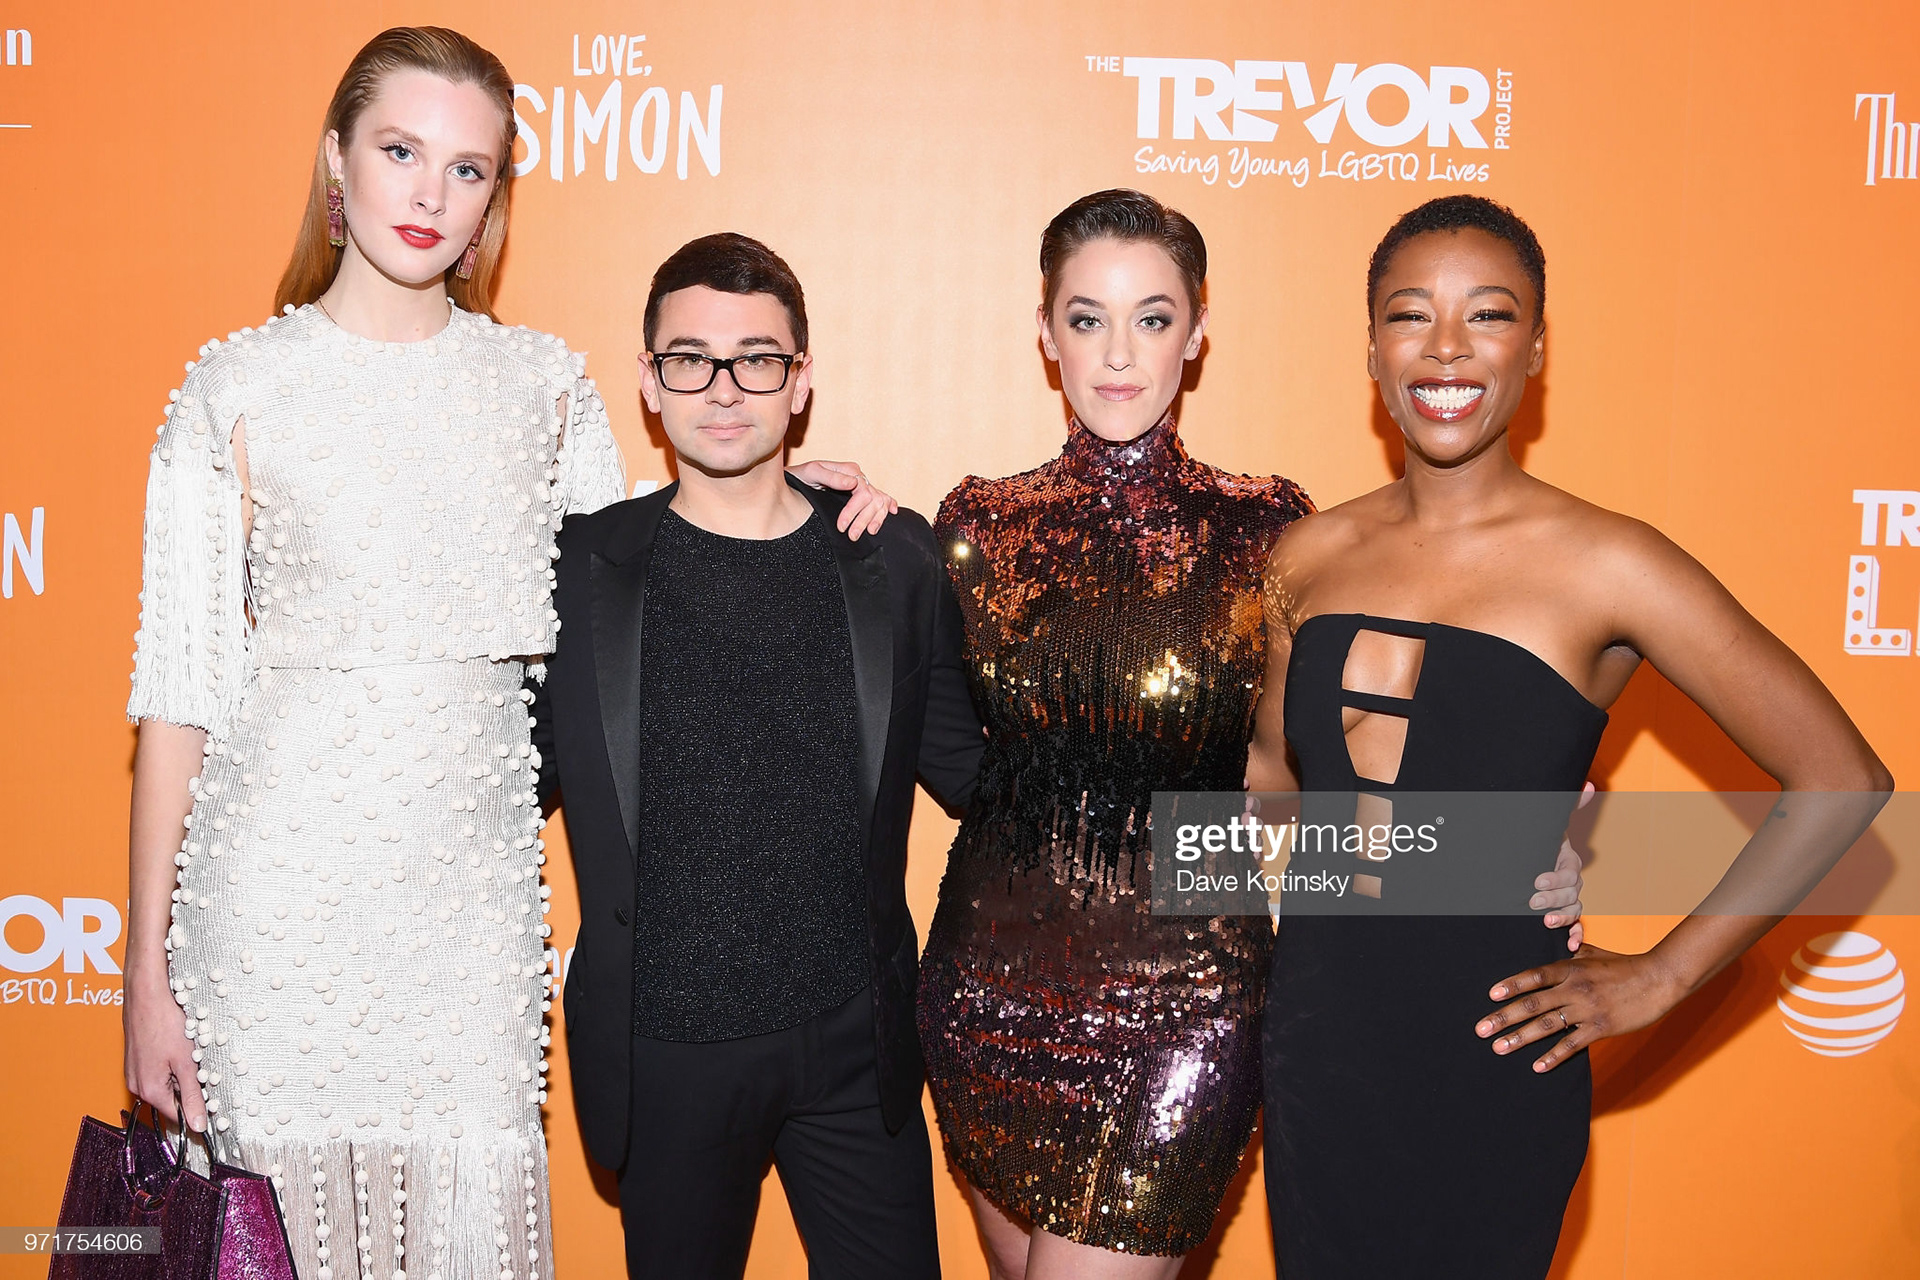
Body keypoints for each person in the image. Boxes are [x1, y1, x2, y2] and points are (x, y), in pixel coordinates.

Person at [120, 30, 888, 1280]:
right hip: (273, 915)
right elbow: (178, 698)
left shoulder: (543, 388)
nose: (430, 194)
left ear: (496, 199)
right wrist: (145, 974)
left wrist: (781, 484)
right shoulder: (237, 388)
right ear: (336, 162)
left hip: (467, 918)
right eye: (401, 151)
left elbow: (647, 564)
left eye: (467, 169)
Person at [915, 189, 1592, 1280]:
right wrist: (823, 496)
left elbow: (1359, 751)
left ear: (1198, 331)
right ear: (1045, 333)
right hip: (987, 991)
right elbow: (935, 736)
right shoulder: (974, 524)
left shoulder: (1274, 526)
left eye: (1152, 316)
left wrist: (1527, 835)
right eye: (1087, 318)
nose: (1120, 353)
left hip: (1190, 993)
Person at [1246, 194, 1892, 1278]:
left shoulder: (1612, 562)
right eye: (1412, 315)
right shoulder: (1302, 556)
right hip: (1318, 1054)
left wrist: (1662, 976)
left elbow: (1842, 775)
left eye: (1488, 315)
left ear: (1537, 347)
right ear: (1371, 346)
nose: (1446, 348)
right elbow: (1272, 785)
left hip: (1493, 1058)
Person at [529, 232, 985, 1280]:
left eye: (758, 359)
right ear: (649, 382)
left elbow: (977, 773)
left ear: (802, 379)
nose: (724, 388)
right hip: (665, 1052)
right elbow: (495, 778)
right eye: (690, 358)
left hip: (855, 1049)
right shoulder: (580, 568)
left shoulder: (892, 555)